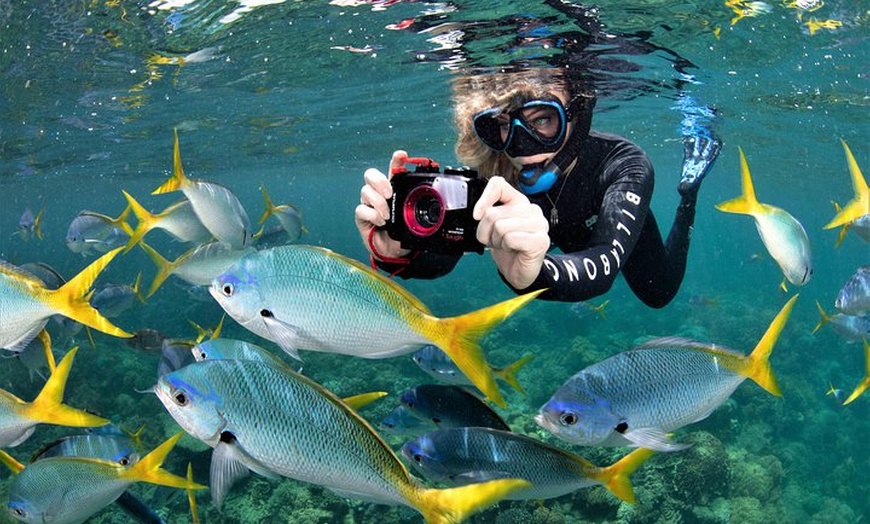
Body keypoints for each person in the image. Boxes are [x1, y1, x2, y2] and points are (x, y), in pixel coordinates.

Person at [354, 68, 721, 308]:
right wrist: (402, 248)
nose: (521, 146)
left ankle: (688, 195)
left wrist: (534, 274)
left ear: (576, 116)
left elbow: (604, 265)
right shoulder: (497, 169)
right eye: (501, 126)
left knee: (659, 293)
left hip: (614, 235)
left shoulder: (623, 163)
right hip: (558, 240)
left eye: (542, 119)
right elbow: (449, 251)